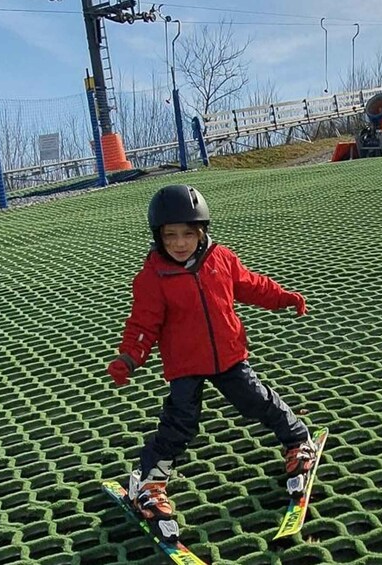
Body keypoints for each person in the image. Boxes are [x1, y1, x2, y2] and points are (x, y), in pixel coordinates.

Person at [107, 184, 315, 541]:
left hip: (229, 356)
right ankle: (151, 483)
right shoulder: (153, 278)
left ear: (202, 232)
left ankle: (297, 441)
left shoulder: (220, 259)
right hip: (186, 365)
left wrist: (283, 298)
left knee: (256, 399)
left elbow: (251, 285)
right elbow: (143, 324)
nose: (179, 243)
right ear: (158, 237)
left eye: (188, 233)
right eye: (170, 235)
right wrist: (130, 357)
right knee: (179, 424)